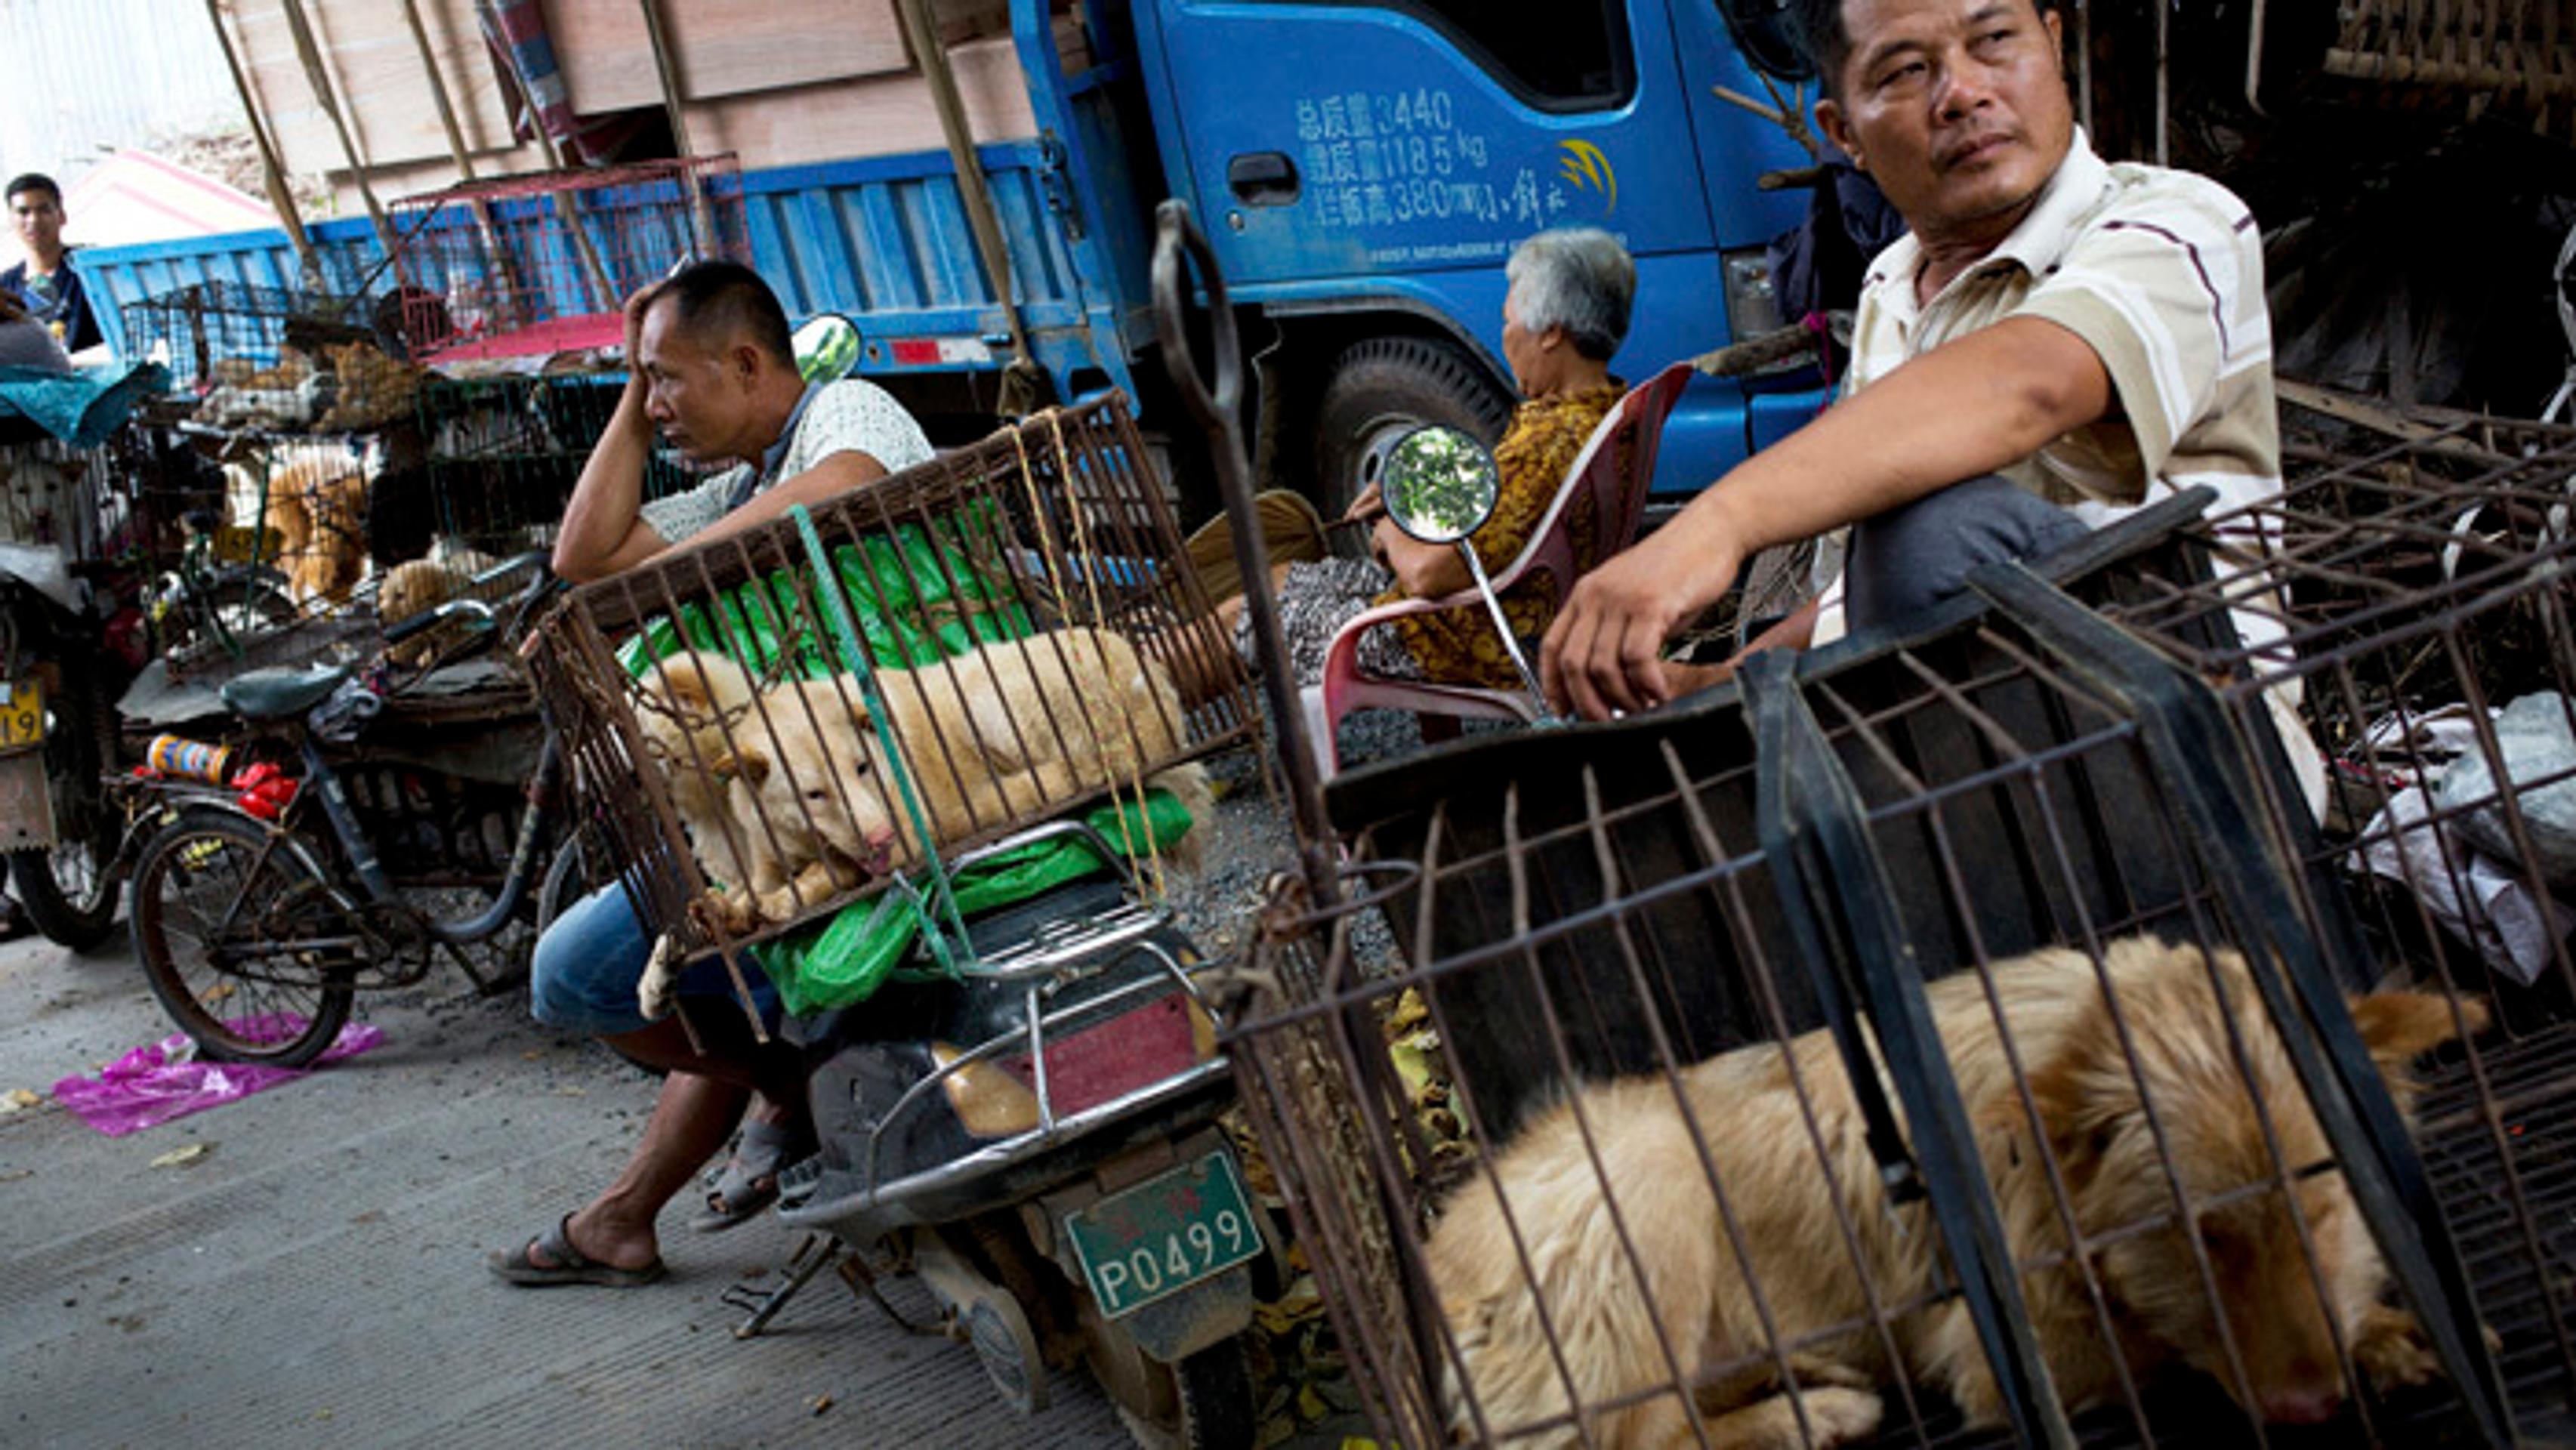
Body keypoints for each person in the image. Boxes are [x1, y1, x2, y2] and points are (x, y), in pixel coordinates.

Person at [1540, 0, 2278, 720]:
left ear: (2053, 45)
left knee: (1934, 527)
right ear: (1844, 133)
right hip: (1974, 741)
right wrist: (1725, 683)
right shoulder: (1890, 289)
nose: (1963, 93)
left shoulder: (2178, 223)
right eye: (1905, 71)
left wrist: (1717, 525)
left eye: (1993, 39)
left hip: (2196, 741)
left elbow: (2032, 385)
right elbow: (1869, 596)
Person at [492, 261, 934, 1287]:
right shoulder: (739, 486)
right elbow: (582, 553)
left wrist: (666, 579)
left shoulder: (845, 410)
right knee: (616, 965)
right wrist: (633, 390)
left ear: (744, 364)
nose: (656, 405)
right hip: (790, 809)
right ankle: (766, 1109)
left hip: (889, 781)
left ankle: (772, 1101)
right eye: (645, 381)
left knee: (576, 972)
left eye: (668, 380)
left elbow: (844, 486)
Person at [1229, 227, 1635, 691]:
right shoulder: (1601, 410)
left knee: (1237, 622)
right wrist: (1405, 498)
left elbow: (1428, 574)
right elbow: (1496, 522)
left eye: (1508, 322)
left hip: (1456, 637)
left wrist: (1390, 529)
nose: (1504, 337)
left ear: (1551, 333)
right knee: (1277, 580)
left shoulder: (1547, 448)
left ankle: (1157, 711)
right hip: (1492, 608)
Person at [2, 175, 102, 356]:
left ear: (62, 216)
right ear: (11, 221)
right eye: (23, 212)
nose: (34, 220)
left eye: (44, 210)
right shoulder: (6, 288)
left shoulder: (92, 270)